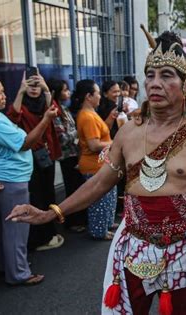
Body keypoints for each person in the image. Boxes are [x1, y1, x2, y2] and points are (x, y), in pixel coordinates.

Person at [7, 31, 186, 314]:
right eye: (150, 75)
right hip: (134, 246)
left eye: (166, 76)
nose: (155, 83)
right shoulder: (128, 132)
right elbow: (100, 182)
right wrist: (51, 212)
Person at [0, 80, 58, 285]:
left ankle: (10, 267)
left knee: (8, 228)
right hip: (11, 180)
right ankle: (19, 274)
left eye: (3, 91)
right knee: (17, 229)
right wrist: (45, 120)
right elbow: (25, 143)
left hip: (12, 178)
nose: (3, 96)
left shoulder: (0, 117)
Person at [7, 71, 64, 251]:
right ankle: (40, 238)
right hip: (29, 158)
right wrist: (20, 92)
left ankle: (50, 233)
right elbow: (12, 118)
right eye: (30, 85)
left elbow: (56, 112)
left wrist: (47, 90)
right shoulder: (21, 105)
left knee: (49, 195)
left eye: (37, 85)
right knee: (36, 196)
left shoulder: (45, 102)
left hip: (46, 154)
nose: (34, 89)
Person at [71, 79, 117, 240]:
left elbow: (100, 133)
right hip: (93, 165)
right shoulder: (88, 116)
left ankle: (106, 225)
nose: (100, 96)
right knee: (99, 201)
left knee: (107, 198)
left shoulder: (91, 113)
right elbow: (94, 144)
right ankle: (99, 231)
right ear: (88, 96)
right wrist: (115, 143)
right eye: (97, 93)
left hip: (101, 164)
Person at [47, 79, 87, 233]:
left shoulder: (65, 109)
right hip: (67, 155)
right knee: (72, 188)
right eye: (64, 90)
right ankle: (71, 221)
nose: (68, 93)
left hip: (74, 152)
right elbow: (62, 137)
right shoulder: (55, 111)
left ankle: (79, 219)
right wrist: (78, 132)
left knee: (78, 186)